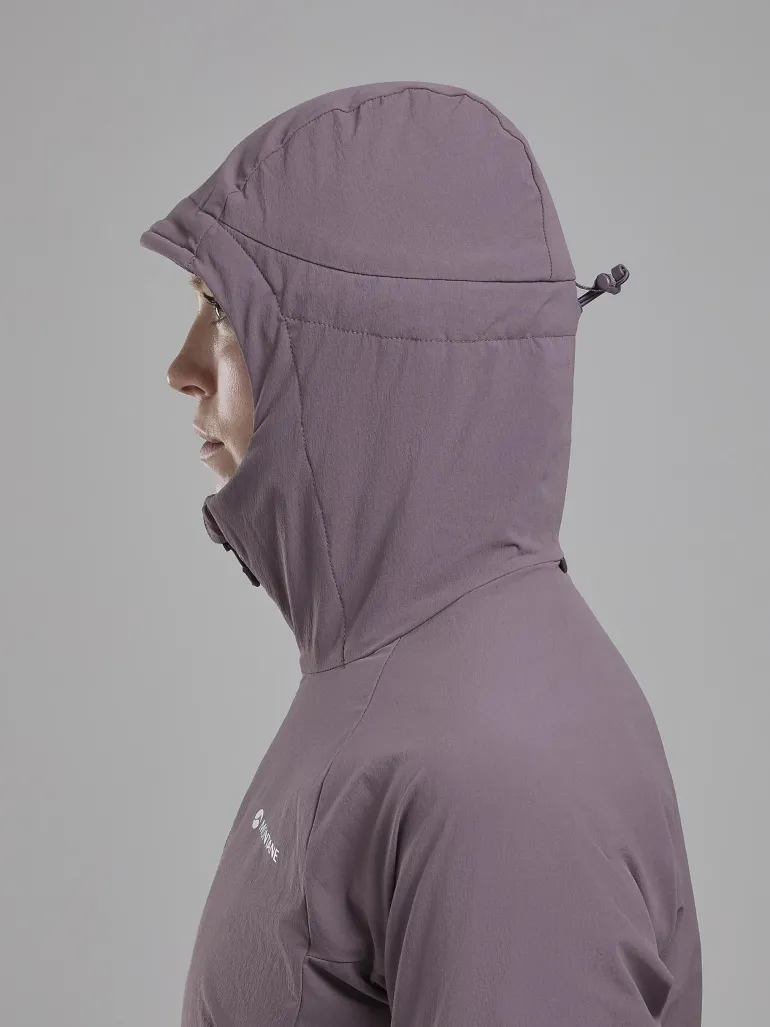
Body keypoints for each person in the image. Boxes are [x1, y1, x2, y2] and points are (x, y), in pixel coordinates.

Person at [141, 80, 702, 1026]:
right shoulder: (391, 672)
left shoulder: (499, 779)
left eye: (226, 314)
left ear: (362, 364)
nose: (181, 367)